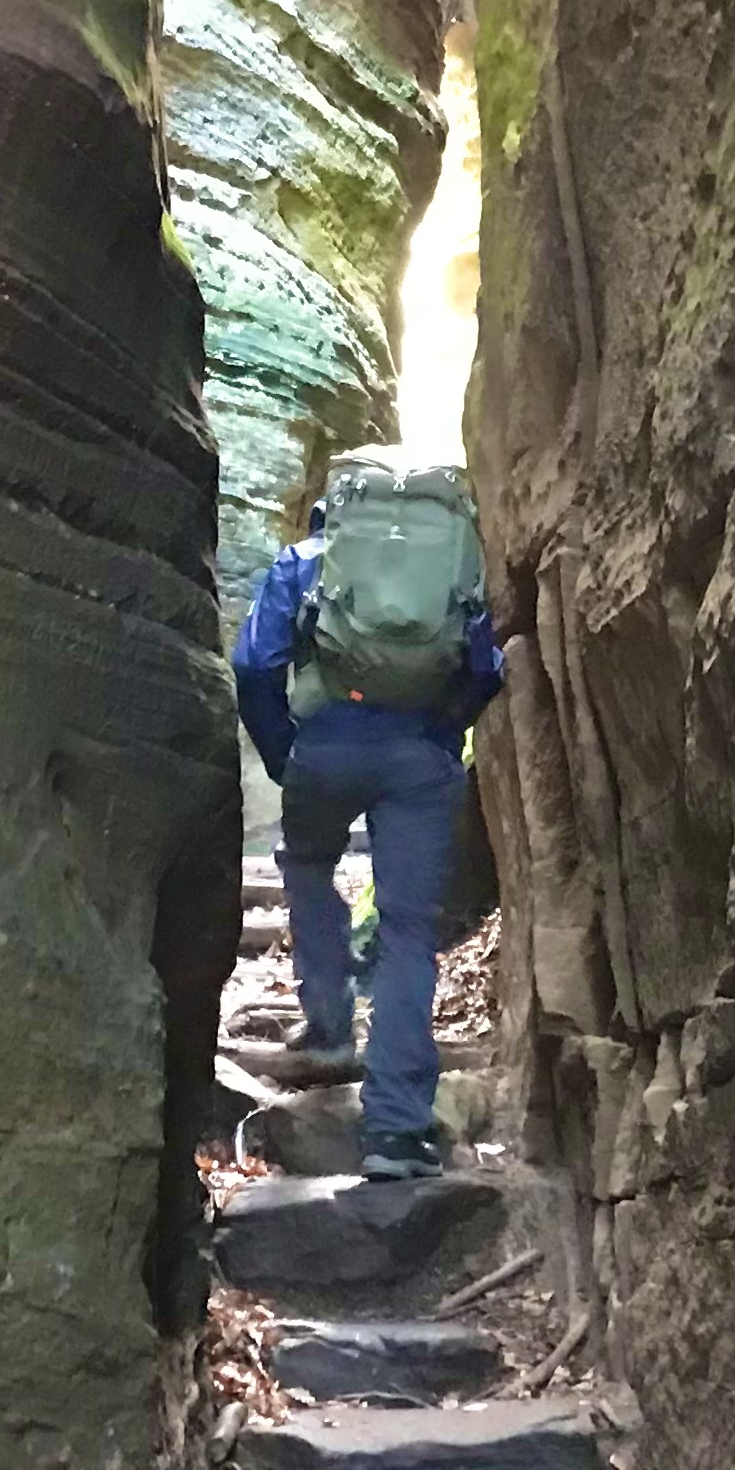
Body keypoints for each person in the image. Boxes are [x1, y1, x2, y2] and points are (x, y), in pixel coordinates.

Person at [233, 451, 503, 1178]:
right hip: (419, 759)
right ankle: (394, 1133)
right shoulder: (452, 564)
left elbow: (254, 665)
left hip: (323, 749)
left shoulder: (307, 563)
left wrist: (283, 753)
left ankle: (327, 1027)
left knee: (311, 865)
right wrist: (443, 739)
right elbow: (486, 669)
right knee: (411, 935)